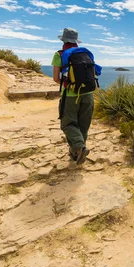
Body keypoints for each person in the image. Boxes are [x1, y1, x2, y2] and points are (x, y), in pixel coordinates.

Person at [51, 28, 101, 166]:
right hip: (89, 95)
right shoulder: (86, 53)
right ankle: (76, 153)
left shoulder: (59, 54)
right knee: (83, 126)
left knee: (68, 124)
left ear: (64, 40)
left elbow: (56, 78)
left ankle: (80, 147)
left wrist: (70, 83)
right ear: (76, 41)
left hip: (71, 95)